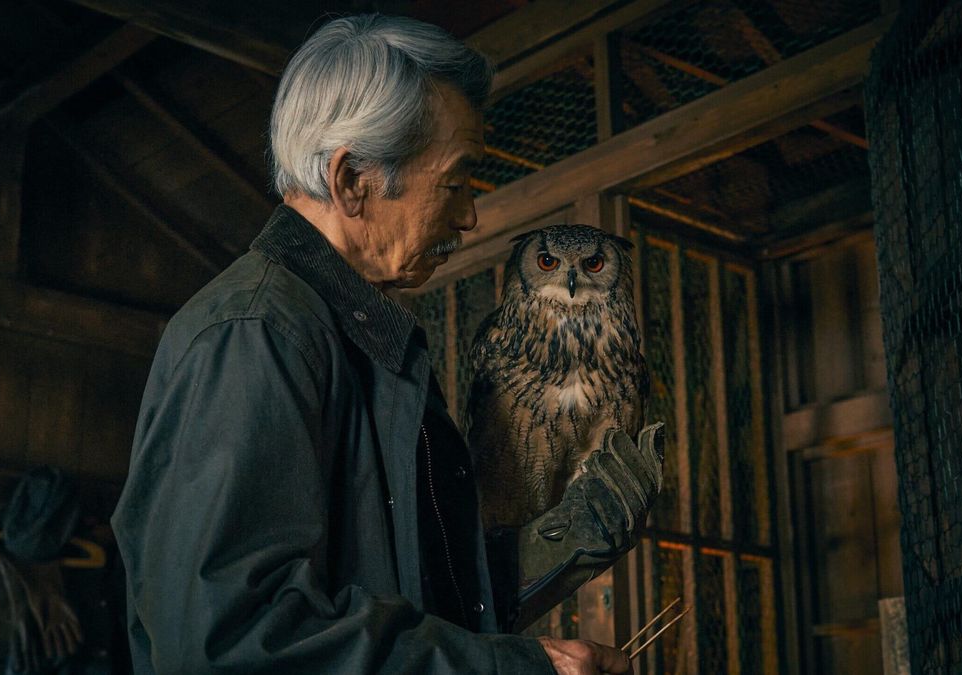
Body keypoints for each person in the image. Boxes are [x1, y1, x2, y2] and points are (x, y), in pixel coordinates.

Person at [111, 14, 660, 674]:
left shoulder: (353, 336)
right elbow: (232, 639)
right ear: (351, 182)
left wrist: (571, 539)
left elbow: (410, 600)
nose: (469, 216)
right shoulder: (258, 333)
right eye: (455, 182)